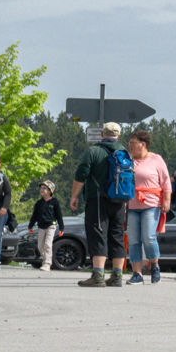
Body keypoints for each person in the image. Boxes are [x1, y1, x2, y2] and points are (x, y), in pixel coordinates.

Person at [68, 122, 127, 288]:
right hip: (120, 200)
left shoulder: (93, 151)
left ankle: (98, 275)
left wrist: (74, 196)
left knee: (98, 233)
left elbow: (81, 174)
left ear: (102, 134)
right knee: (117, 235)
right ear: (118, 135)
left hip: (98, 199)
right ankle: (117, 276)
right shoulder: (124, 151)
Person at [125, 130, 172, 283]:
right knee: (133, 240)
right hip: (132, 204)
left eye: (133, 143)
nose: (130, 146)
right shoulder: (128, 160)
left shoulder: (156, 159)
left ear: (143, 144)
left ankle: (154, 265)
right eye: (130, 143)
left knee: (148, 237)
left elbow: (166, 182)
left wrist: (166, 200)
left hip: (151, 203)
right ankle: (137, 273)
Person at [30, 183, 64, 270]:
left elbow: (59, 215)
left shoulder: (55, 202)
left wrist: (61, 228)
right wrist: (30, 226)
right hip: (41, 226)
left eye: (44, 188)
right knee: (40, 246)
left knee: (48, 245)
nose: (41, 189)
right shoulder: (39, 203)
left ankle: (47, 264)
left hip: (51, 226)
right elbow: (34, 215)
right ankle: (46, 260)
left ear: (50, 191)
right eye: (41, 188)